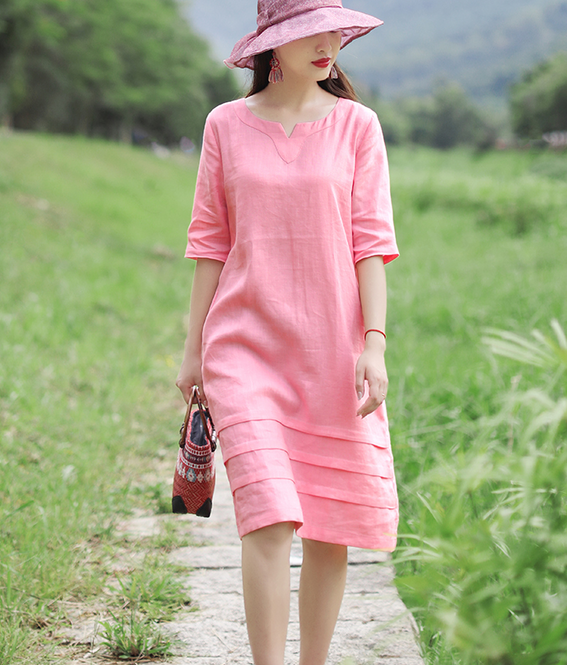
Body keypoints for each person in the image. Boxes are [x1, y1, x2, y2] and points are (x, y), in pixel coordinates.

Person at [176, 2, 399, 663]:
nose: (329, 43)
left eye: (335, 30)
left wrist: (374, 343)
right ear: (273, 42)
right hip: (243, 349)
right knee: (268, 517)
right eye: (310, 31)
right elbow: (210, 242)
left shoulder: (357, 126)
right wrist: (193, 350)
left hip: (334, 355)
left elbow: (371, 243)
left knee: (330, 528)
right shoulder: (225, 124)